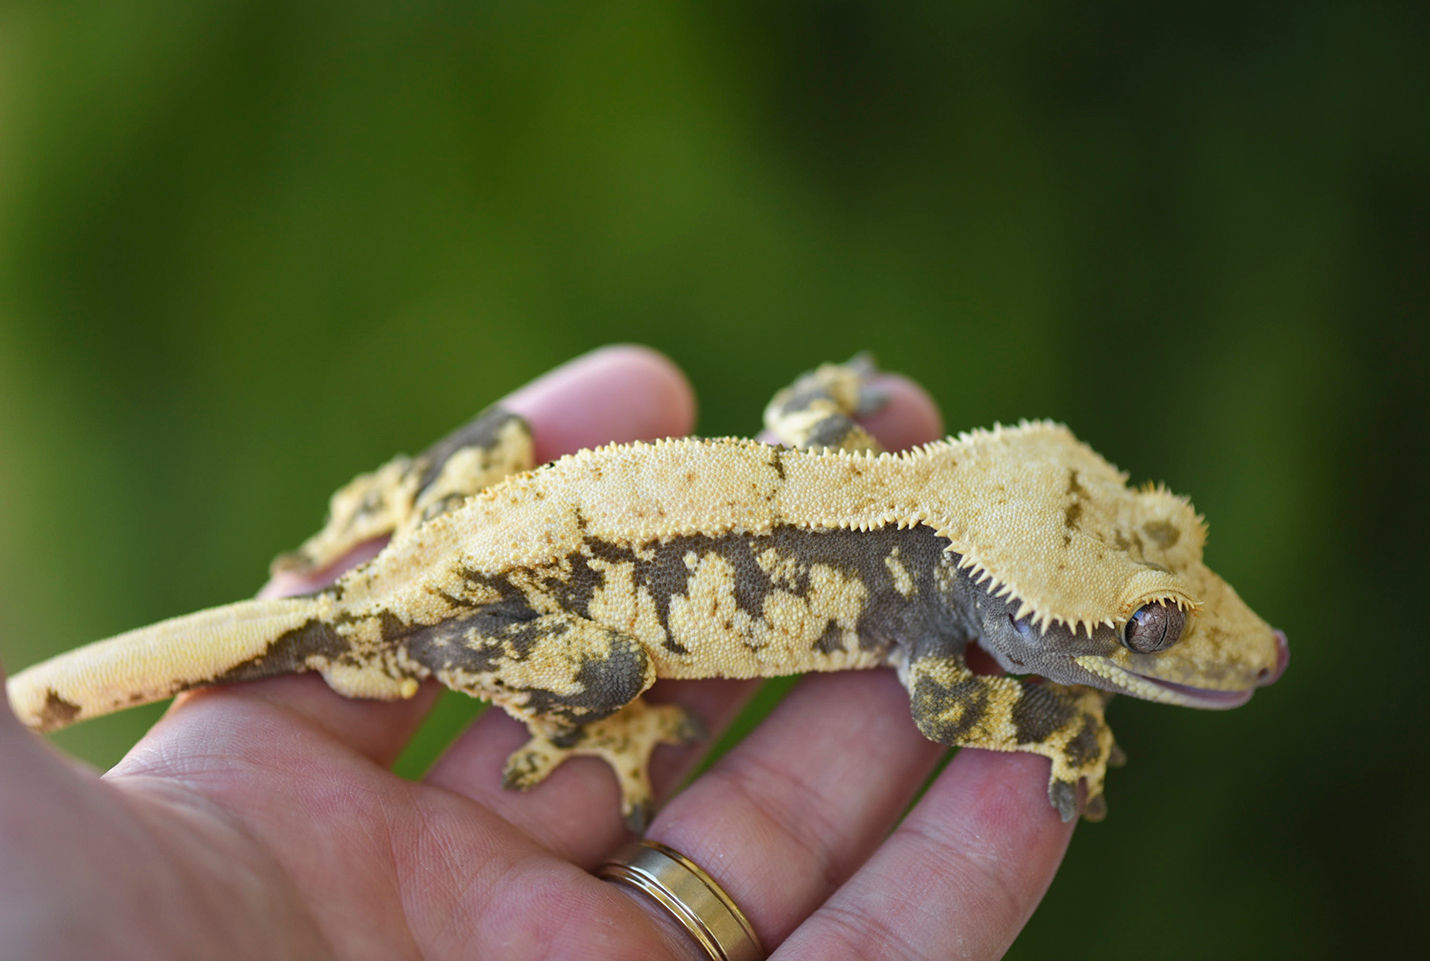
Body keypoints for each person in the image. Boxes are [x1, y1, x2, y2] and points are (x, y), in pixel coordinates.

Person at [0, 346, 1074, 960]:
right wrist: (602, 721)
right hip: (446, 609)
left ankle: (391, 505)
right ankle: (567, 715)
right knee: (613, 674)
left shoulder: (861, 488)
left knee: (513, 464)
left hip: (451, 548)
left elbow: (804, 412)